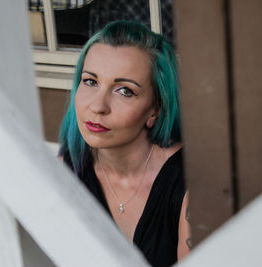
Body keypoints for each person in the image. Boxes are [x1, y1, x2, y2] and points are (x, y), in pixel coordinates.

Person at [58, 20, 190, 266]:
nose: (98, 106)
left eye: (124, 91)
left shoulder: (191, 182)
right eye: (90, 81)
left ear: (156, 109)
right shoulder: (65, 170)